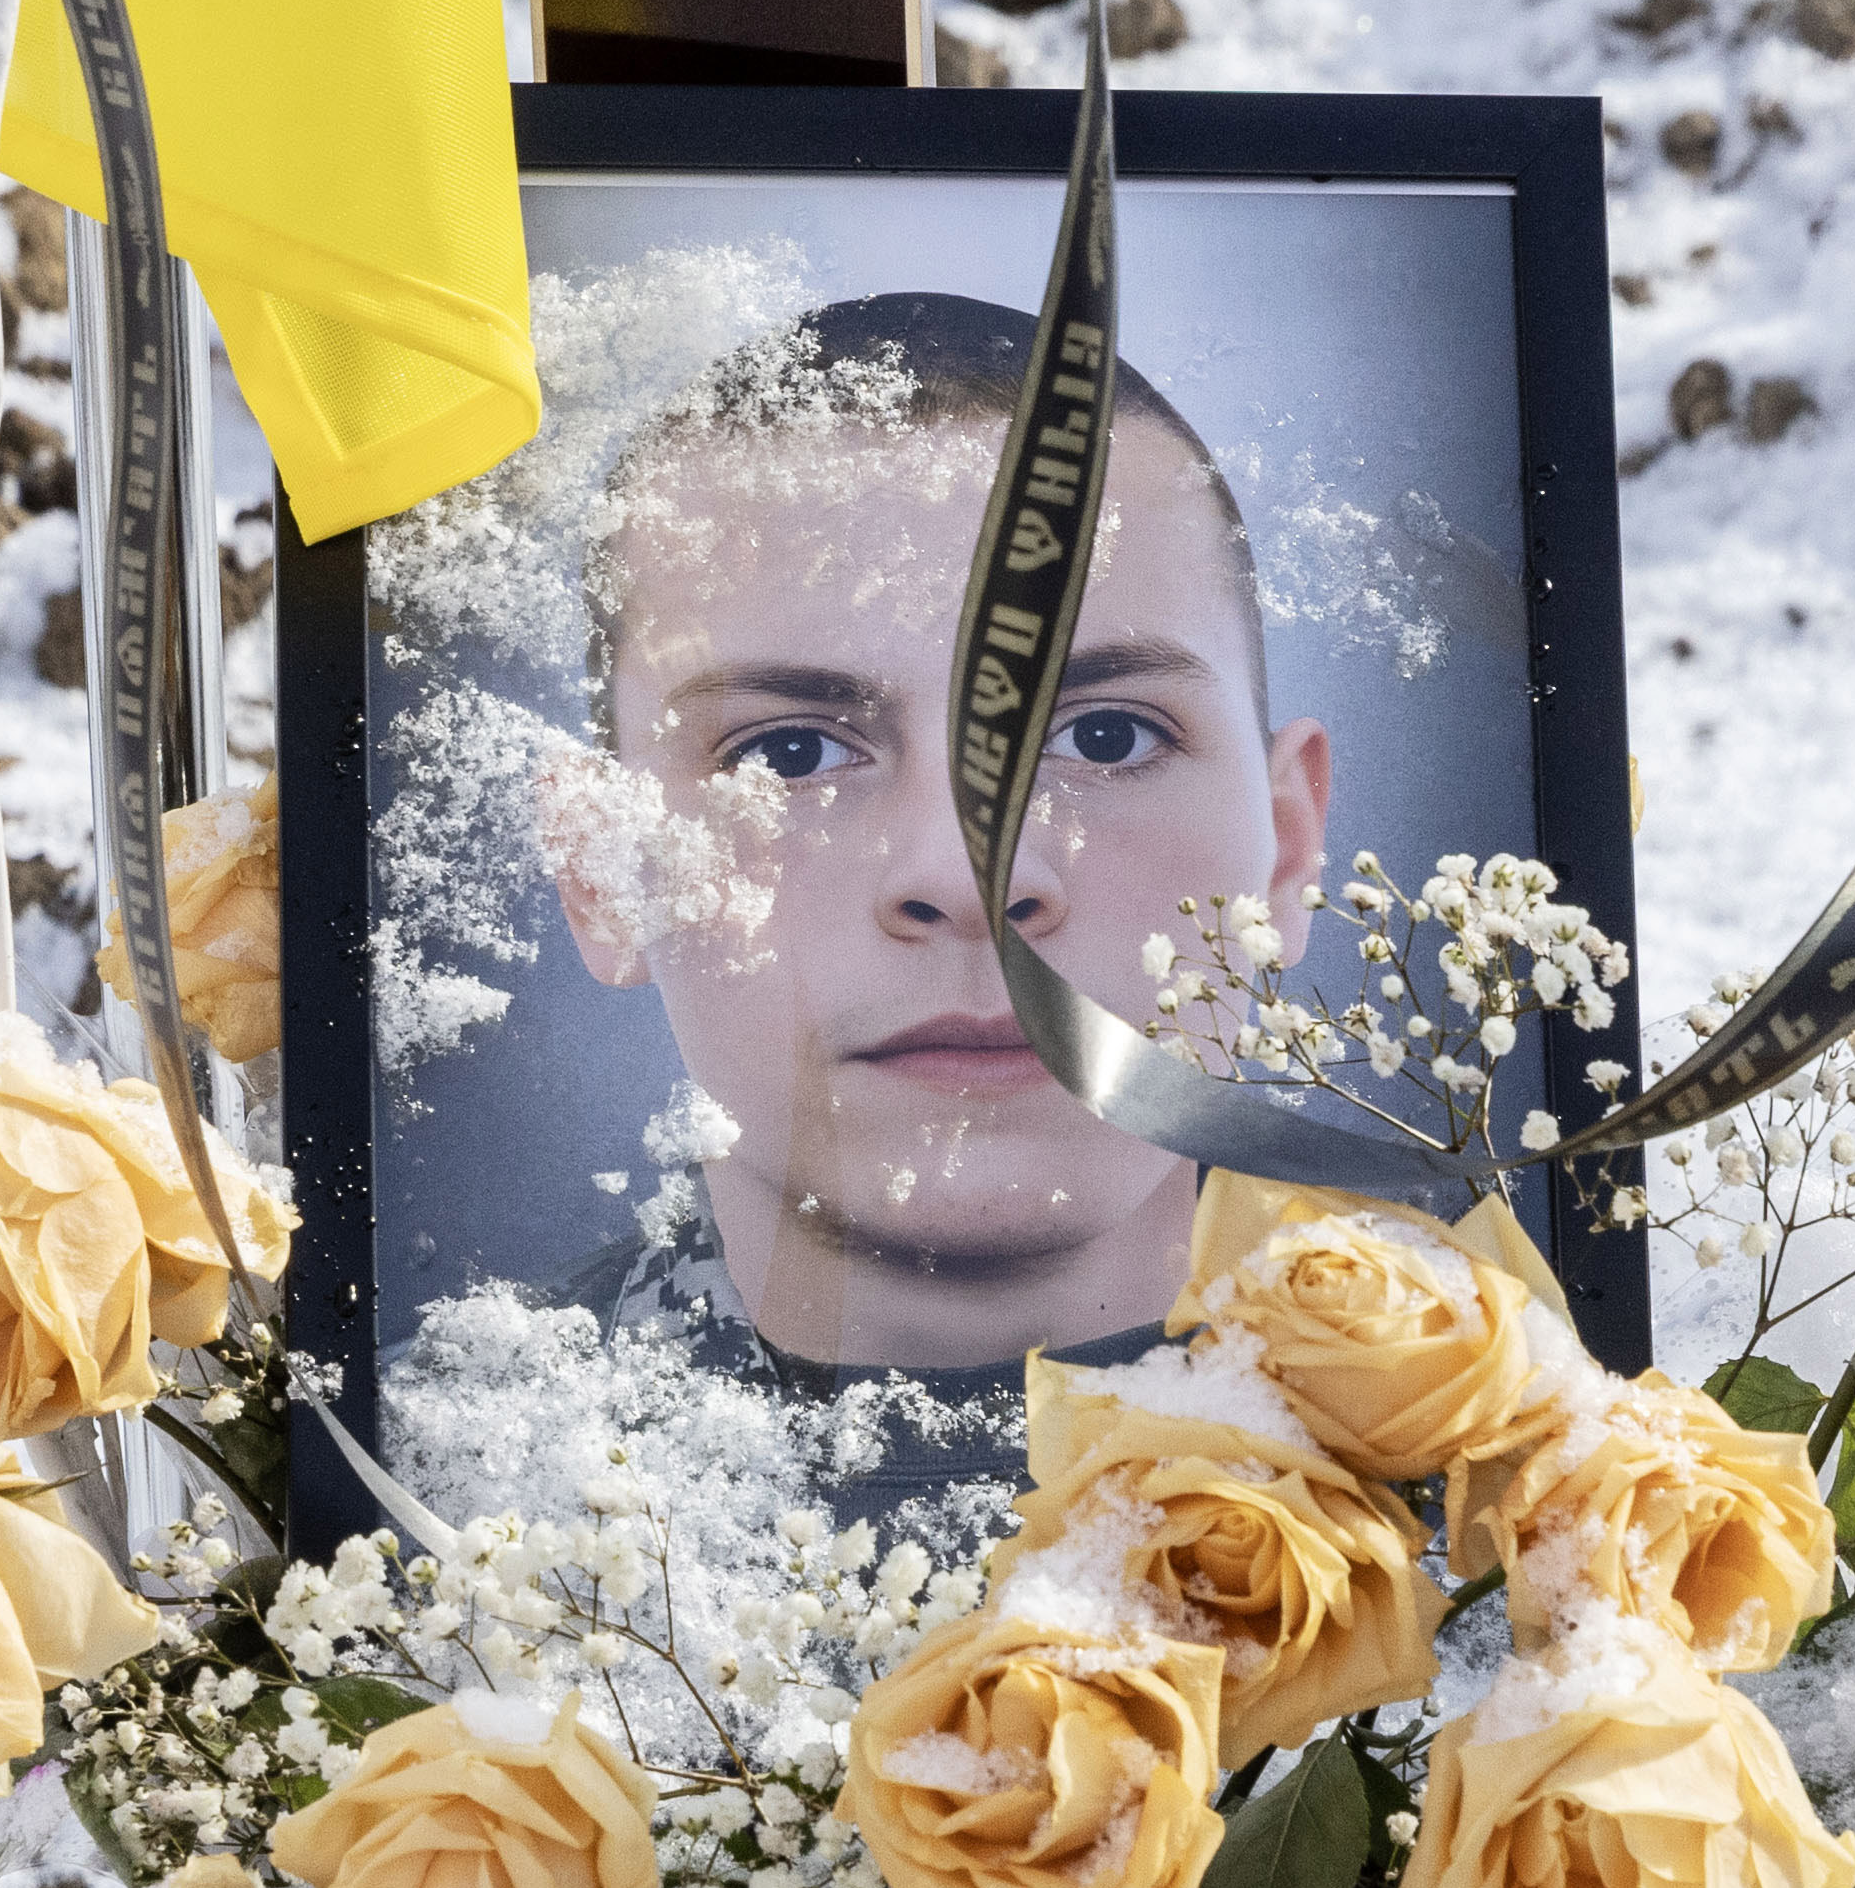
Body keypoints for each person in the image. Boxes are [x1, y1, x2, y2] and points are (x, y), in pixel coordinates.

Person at [539, 292, 1331, 1432]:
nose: (965, 879)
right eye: (793, 752)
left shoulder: (1570, 1491)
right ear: (600, 867)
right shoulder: (374, 1492)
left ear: (1286, 849)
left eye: (1103, 737)